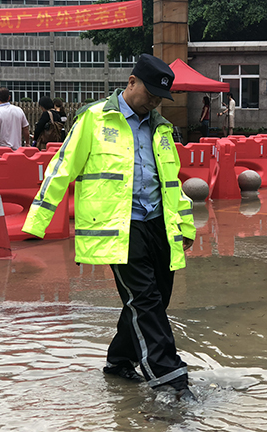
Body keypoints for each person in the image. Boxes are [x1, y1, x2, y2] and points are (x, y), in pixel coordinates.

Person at [22, 54, 197, 402]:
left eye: (160, 97)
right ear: (132, 82)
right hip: (119, 225)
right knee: (144, 300)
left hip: (159, 224)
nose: (154, 102)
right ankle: (169, 376)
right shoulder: (95, 118)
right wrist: (38, 221)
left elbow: (173, 184)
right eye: (150, 93)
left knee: (156, 298)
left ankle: (119, 361)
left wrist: (185, 227)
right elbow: (62, 168)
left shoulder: (161, 127)